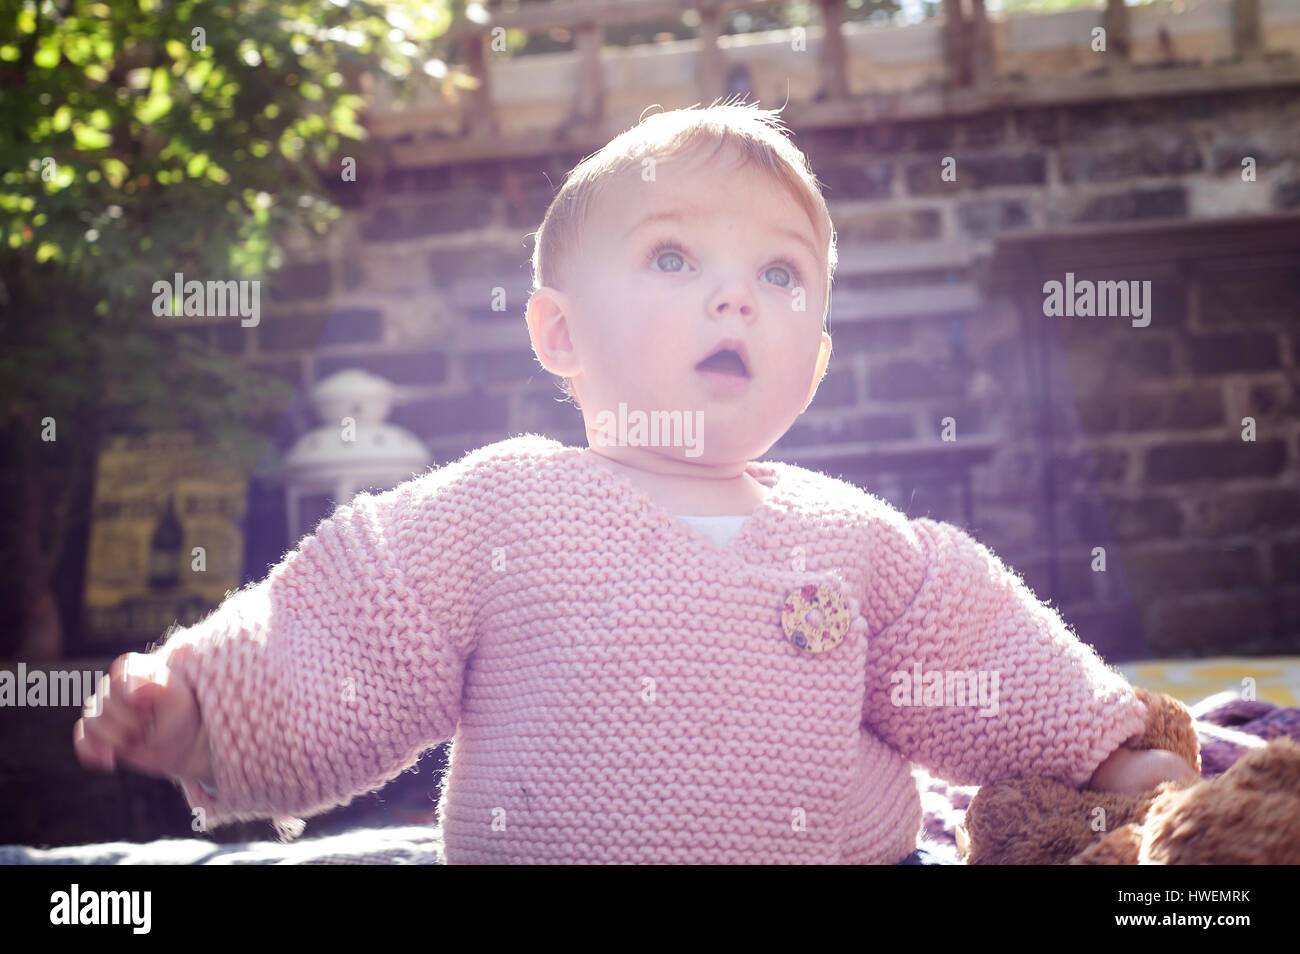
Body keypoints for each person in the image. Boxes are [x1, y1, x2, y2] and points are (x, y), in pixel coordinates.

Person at [73, 101, 1197, 864]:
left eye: (778, 273)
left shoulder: (856, 542)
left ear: (813, 363)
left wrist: (1102, 748)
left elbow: (982, 656)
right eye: (673, 258)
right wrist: (206, 712)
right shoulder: (501, 508)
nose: (735, 298)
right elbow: (355, 632)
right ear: (558, 332)